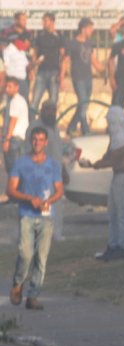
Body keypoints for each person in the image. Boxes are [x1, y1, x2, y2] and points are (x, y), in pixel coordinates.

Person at [7, 126, 63, 310]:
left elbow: (59, 190)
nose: (37, 143)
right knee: (25, 253)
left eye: (41, 140)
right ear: (30, 141)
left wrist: (49, 201)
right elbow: (11, 190)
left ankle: (33, 295)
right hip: (27, 214)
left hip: (46, 216)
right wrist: (29, 199)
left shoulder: (53, 165)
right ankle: (18, 282)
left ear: (46, 143)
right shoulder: (21, 163)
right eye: (35, 139)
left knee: (41, 257)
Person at [87, 106, 124, 261]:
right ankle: (113, 245)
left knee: (122, 213)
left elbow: (114, 159)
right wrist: (93, 163)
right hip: (118, 177)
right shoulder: (116, 137)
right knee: (113, 213)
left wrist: (96, 165)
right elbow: (108, 155)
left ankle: (123, 246)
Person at [26, 101, 66, 241]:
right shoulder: (35, 127)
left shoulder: (55, 127)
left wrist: (64, 170)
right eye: (48, 109)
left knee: (57, 206)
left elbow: (58, 152)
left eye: (53, 110)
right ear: (42, 110)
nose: (51, 113)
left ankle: (56, 234)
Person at [63, 17, 105, 136]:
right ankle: (85, 130)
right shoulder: (72, 43)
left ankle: (71, 127)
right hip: (78, 77)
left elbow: (93, 59)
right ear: (83, 29)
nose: (92, 31)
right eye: (90, 28)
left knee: (83, 104)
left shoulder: (88, 43)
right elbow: (65, 61)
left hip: (88, 78)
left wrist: (103, 72)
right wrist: (62, 78)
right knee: (83, 103)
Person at [30, 12, 64, 113]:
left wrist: (61, 76)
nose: (43, 23)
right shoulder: (40, 36)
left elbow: (63, 56)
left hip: (54, 72)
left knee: (53, 102)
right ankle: (31, 126)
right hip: (41, 72)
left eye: (45, 21)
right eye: (43, 21)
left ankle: (51, 126)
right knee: (34, 102)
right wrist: (33, 67)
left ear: (52, 22)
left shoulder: (59, 36)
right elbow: (34, 53)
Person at [1, 12, 32, 100]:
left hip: (23, 70)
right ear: (16, 20)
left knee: (23, 97)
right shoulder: (7, 32)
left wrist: (30, 70)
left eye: (26, 19)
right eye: (23, 19)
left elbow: (29, 52)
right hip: (11, 71)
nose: (25, 21)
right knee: (9, 97)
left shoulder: (28, 33)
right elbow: (2, 47)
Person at [3, 78, 30, 174]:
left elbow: (13, 121)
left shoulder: (16, 101)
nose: (7, 89)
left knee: (12, 169)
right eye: (6, 86)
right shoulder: (19, 100)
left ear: (17, 88)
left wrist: (7, 140)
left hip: (14, 139)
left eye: (10, 87)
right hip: (20, 138)